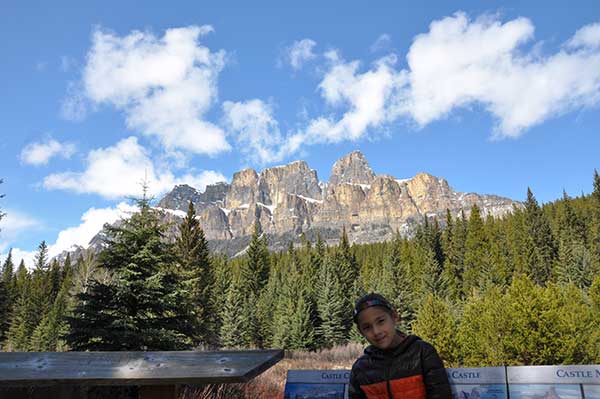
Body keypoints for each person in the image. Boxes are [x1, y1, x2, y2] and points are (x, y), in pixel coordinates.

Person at [348, 293, 452, 399]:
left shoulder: (422, 353)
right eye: (367, 327)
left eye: (381, 321)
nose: (376, 331)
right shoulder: (360, 369)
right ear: (361, 332)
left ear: (394, 317)